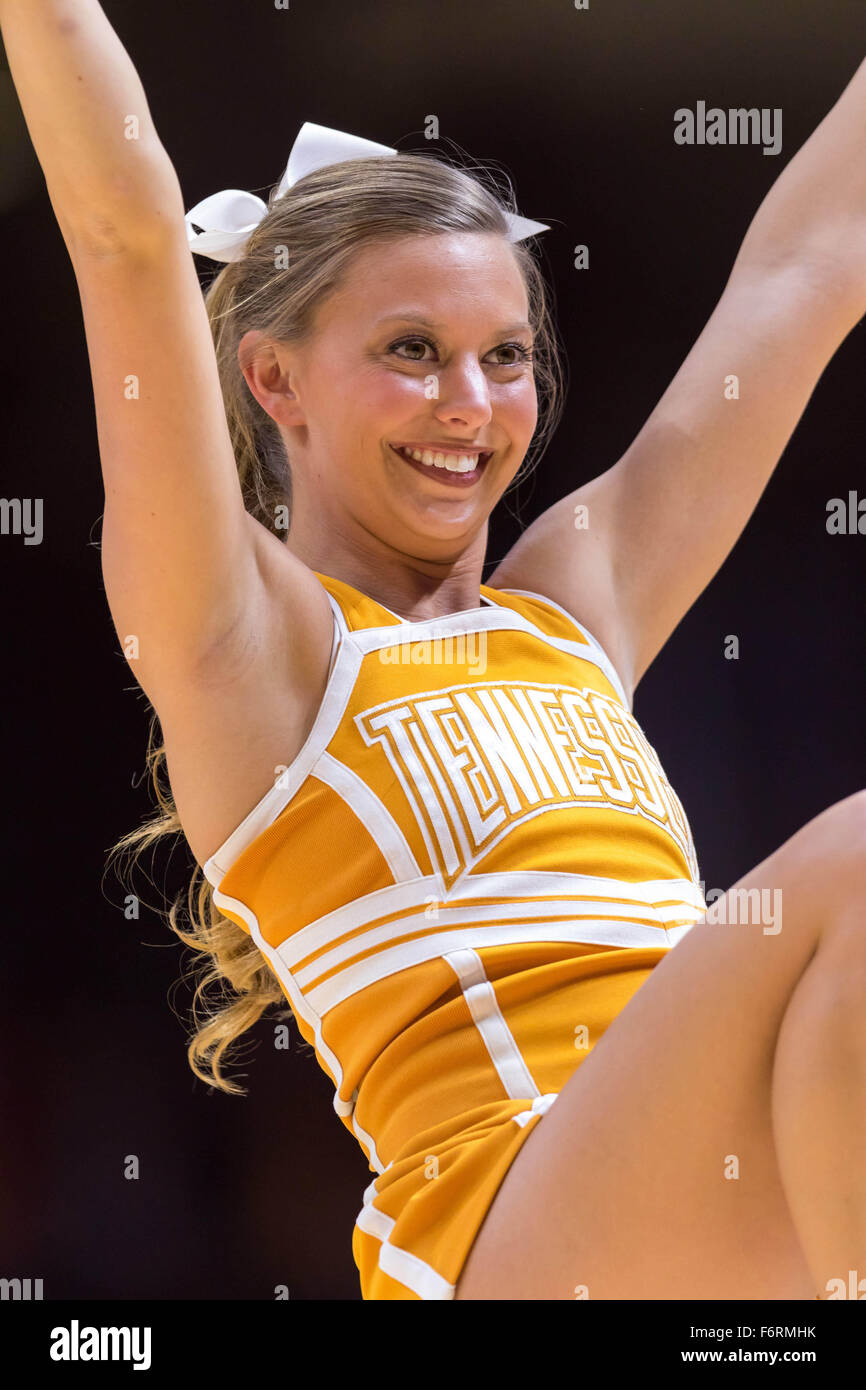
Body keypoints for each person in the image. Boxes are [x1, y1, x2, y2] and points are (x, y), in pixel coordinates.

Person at [3, 0, 864, 1302]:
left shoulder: (573, 598)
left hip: (711, 1200)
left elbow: (809, 263)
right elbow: (125, 231)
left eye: (503, 356)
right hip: (502, 1226)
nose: (469, 404)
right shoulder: (253, 644)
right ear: (274, 379)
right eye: (411, 351)